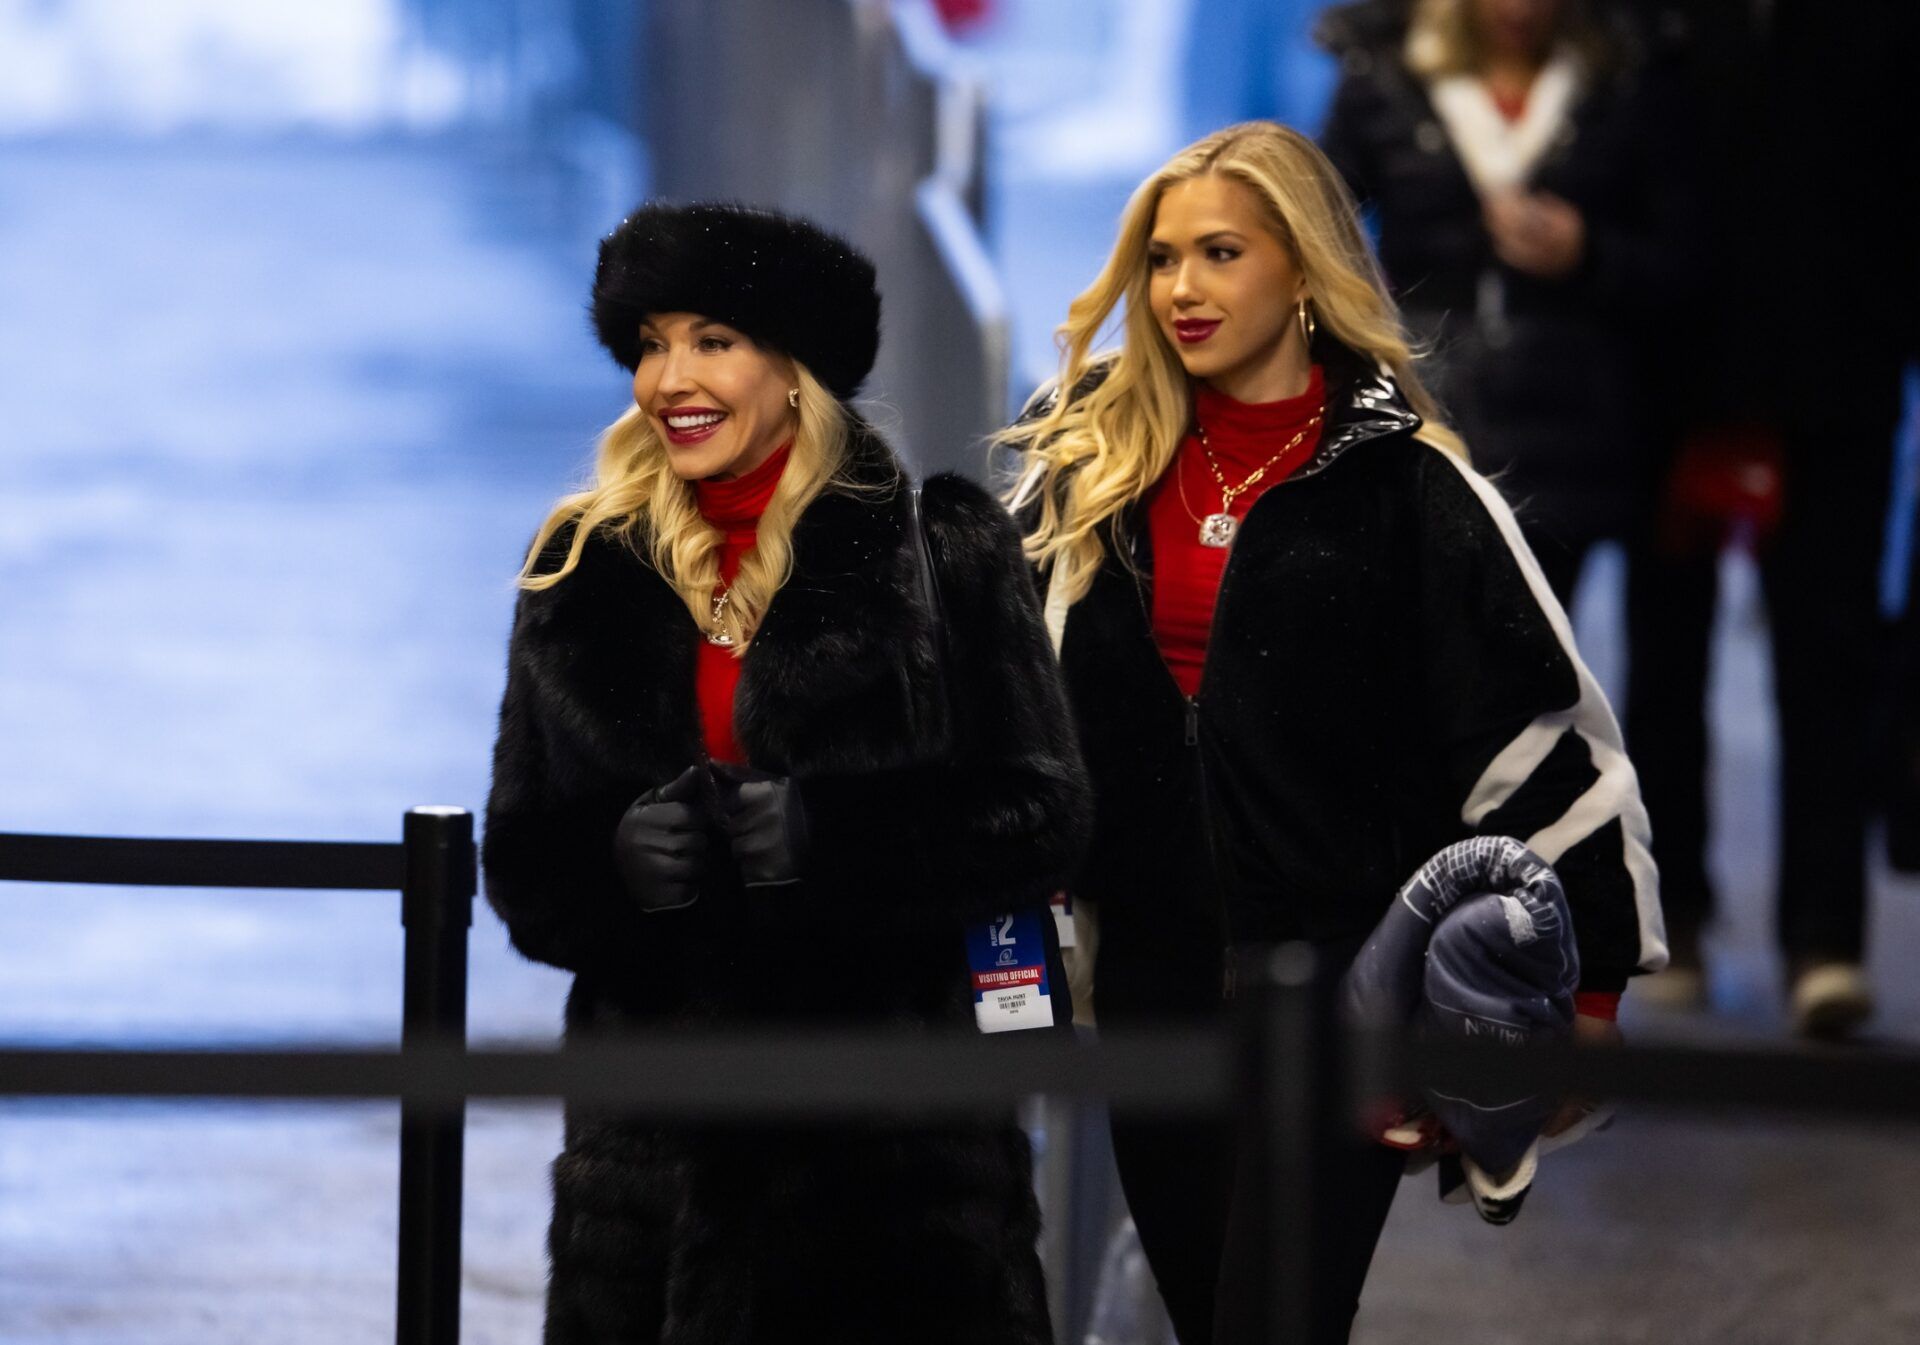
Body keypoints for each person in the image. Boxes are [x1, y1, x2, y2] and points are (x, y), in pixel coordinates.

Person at [1002, 121, 1665, 1343]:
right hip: (1149, 977)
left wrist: (1595, 997)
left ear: (1301, 271)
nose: (1182, 289)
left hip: (1340, 986)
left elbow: (1540, 741)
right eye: (1161, 258)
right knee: (1210, 1316)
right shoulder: (1086, 463)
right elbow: (1011, 709)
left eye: (1219, 253)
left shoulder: (1412, 489)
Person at [481, 201, 1091, 1344]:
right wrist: (609, 861)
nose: (671, 378)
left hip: (890, 1191)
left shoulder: (941, 549)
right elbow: (520, 859)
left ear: (796, 367)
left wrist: (837, 838)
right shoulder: (577, 571)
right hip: (649, 1182)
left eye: (713, 339)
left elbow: (1042, 811)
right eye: (652, 342)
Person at [1316, 0, 1699, 606]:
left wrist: (1587, 253)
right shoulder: (1386, 76)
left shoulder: (1622, 80)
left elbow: (1686, 261)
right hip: (1426, 409)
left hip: (1574, 420)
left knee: (1542, 647)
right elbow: (1315, 224)